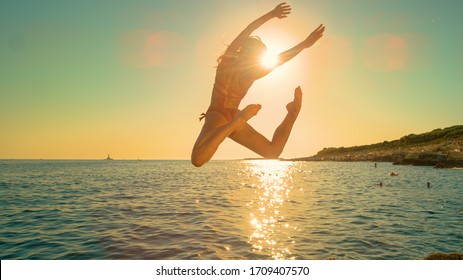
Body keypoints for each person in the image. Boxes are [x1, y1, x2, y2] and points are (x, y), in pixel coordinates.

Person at [191, 3, 325, 167]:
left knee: (198, 160)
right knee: (272, 151)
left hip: (219, 114)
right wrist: (304, 44)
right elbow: (279, 59)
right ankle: (292, 114)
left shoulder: (228, 61)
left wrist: (272, 14)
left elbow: (249, 30)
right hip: (232, 114)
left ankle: (238, 123)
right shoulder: (249, 72)